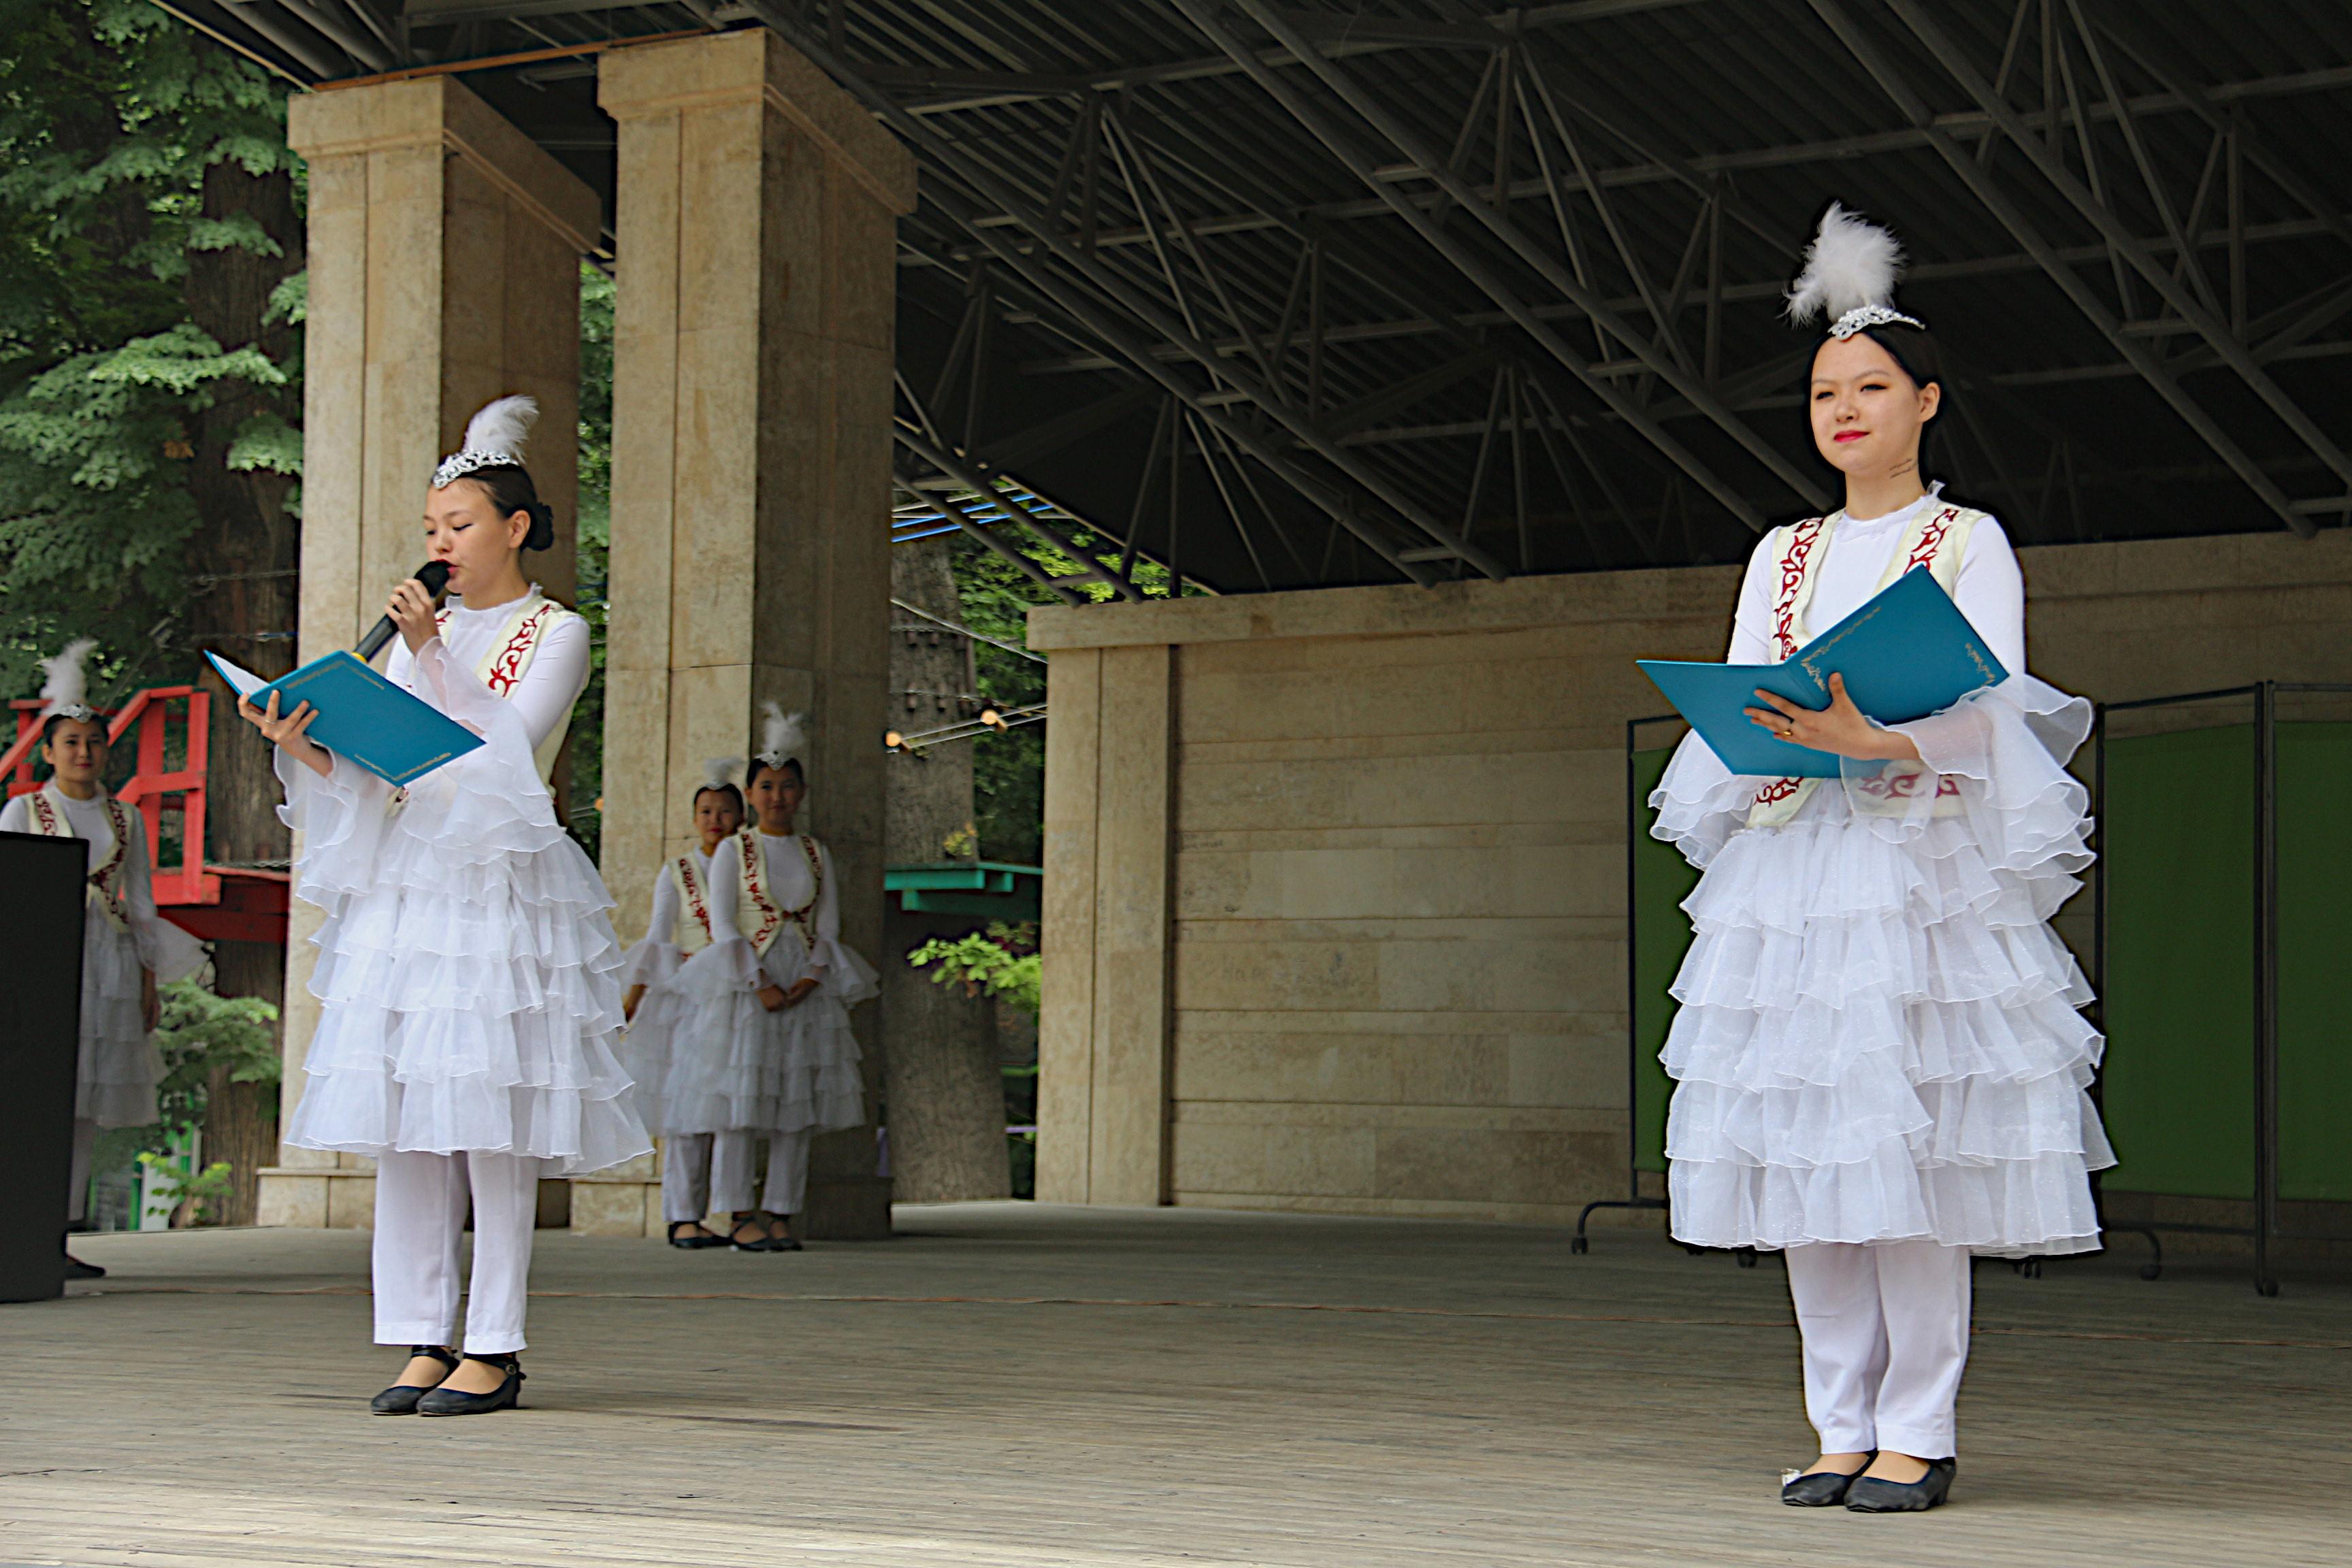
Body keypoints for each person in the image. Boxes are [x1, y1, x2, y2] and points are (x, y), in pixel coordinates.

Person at [1648, 205, 2110, 1514]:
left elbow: (1998, 703)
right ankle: (1834, 1421)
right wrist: (1782, 727)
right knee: (1812, 1156)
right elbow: (1749, 693)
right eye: (1823, 392)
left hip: (1914, 866)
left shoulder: (1967, 543)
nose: (1843, 410)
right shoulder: (1780, 552)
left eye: (1869, 389)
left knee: (1911, 1163)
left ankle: (1918, 1424)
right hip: (1796, 874)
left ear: (1925, 401)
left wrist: (1880, 736)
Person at [238, 395, 649, 1416]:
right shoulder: (410, 641)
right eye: (430, 531)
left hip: (502, 891)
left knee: (493, 1119)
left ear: (514, 527)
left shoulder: (557, 630)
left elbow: (508, 751)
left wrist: (429, 654)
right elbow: (381, 772)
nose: (441, 547)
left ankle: (496, 1344)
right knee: (413, 1115)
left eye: (459, 527)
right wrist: (308, 746)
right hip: (410, 888)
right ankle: (421, 1333)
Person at [1, 640, 206, 1276]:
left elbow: (140, 901)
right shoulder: (24, 810)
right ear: (49, 749)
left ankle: (59, 1233)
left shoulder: (125, 818)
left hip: (108, 962)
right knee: (36, 1093)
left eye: (93, 742)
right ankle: (19, 1227)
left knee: (85, 1100)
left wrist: (148, 978)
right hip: (42, 963)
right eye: (70, 742)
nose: (83, 753)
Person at [664, 703, 875, 1252]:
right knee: (740, 1100)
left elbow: (828, 922)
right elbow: (726, 922)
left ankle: (782, 1208)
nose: (776, 796)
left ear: (800, 794)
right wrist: (758, 982)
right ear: (751, 795)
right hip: (745, 982)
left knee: (795, 1102)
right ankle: (737, 1211)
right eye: (765, 787)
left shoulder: (814, 851)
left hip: (804, 979)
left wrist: (810, 979)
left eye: (786, 787)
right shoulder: (735, 850)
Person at [617, 758, 748, 1248]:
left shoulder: (749, 866)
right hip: (691, 994)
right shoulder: (678, 872)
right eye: (706, 811)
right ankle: (682, 1214)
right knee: (687, 1108)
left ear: (741, 818)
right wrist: (632, 998)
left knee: (734, 1104)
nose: (715, 820)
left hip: (738, 991)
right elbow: (656, 938)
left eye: (725, 811)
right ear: (695, 819)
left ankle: (734, 1209)